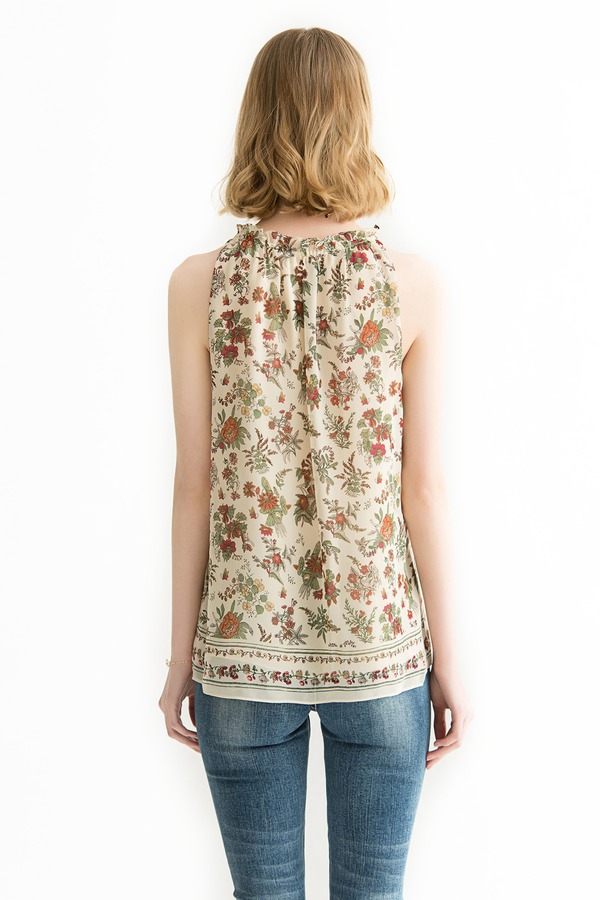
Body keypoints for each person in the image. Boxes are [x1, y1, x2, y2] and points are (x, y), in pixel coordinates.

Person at [159, 26, 474, 900]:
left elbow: (195, 483)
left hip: (241, 658)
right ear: (356, 121)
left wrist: (181, 657)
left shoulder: (198, 285)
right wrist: (448, 659)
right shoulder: (410, 284)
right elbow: (424, 489)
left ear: (254, 122)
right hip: (379, 656)